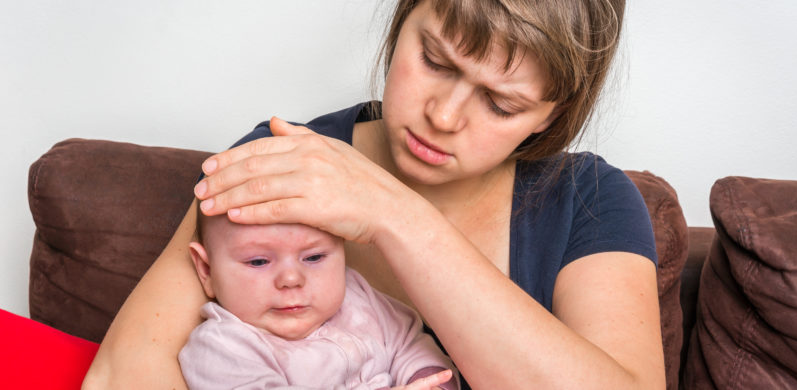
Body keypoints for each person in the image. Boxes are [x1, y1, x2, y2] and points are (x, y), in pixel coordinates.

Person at [84, 0, 666, 389]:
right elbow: (120, 372)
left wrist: (395, 214)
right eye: (435, 60)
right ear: (402, 18)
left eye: (500, 103)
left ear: (550, 114)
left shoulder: (590, 199)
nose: (443, 115)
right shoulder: (283, 157)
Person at [178, 212, 458, 389]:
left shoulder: (357, 295)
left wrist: (428, 379)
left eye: (313, 257)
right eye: (259, 261)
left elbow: (407, 343)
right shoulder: (222, 346)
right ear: (207, 270)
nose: (291, 279)